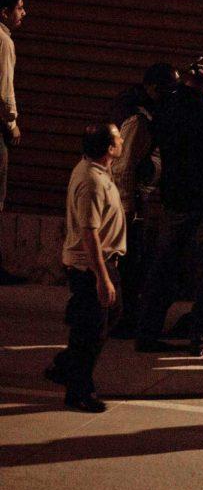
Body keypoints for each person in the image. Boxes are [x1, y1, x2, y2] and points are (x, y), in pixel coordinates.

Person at [136, 56, 203, 356]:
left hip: (173, 199)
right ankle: (202, 336)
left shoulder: (167, 110)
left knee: (164, 269)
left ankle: (146, 332)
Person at [44, 124, 126, 412]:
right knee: (92, 332)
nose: (123, 140)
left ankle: (65, 366)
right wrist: (102, 279)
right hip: (91, 264)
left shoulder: (97, 170)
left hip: (99, 261)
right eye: (118, 138)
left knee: (106, 318)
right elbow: (89, 232)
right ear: (109, 149)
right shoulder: (91, 180)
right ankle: (78, 391)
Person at [109, 62, 179, 338]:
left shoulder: (149, 113)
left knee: (132, 265)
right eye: (166, 88)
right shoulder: (140, 120)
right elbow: (124, 166)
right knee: (130, 266)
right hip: (130, 205)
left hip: (135, 202)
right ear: (151, 87)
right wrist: (128, 210)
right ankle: (124, 320)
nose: (171, 93)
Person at [0, 0, 26, 284]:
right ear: (4, 12)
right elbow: (4, 88)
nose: (23, 13)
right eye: (19, 8)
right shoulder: (4, 42)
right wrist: (12, 123)